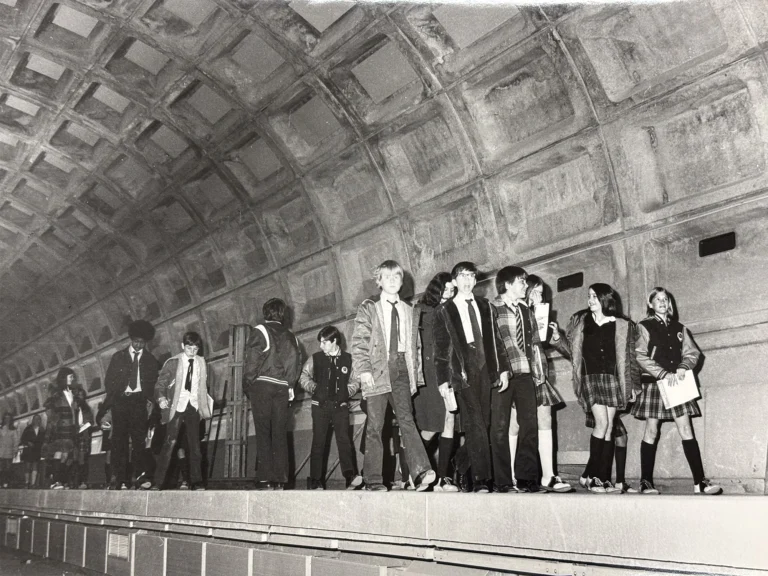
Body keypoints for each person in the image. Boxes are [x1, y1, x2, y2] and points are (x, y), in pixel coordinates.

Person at [350, 260, 436, 492]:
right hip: (378, 368)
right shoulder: (369, 308)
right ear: (379, 281)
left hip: (401, 369)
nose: (391, 280)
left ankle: (420, 472)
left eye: (396, 276)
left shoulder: (409, 311)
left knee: (407, 420)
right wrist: (364, 370)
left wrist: (415, 377)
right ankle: (373, 479)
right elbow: (359, 342)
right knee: (376, 426)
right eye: (386, 277)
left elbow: (415, 347)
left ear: (401, 281)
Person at [550, 283, 640, 494]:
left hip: (613, 379)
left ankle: (603, 478)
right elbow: (572, 352)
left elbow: (630, 359)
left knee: (609, 427)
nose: (590, 300)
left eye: (594, 297)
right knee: (602, 423)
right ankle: (594, 478)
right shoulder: (581, 321)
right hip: (590, 378)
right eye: (589, 296)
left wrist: (634, 385)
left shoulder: (622, 324)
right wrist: (557, 339)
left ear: (605, 299)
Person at [632, 287, 722, 495]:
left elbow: (692, 353)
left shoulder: (680, 328)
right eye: (658, 299)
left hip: (676, 383)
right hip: (656, 383)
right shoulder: (644, 327)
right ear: (650, 304)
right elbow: (639, 355)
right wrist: (661, 373)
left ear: (669, 304)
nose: (662, 302)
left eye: (665, 299)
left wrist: (683, 367)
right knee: (651, 431)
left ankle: (700, 482)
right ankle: (646, 482)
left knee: (686, 429)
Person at [433, 262, 511, 493]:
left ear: (475, 280)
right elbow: (441, 348)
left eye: (471, 276)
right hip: (462, 370)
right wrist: (442, 380)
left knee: (483, 424)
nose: (467, 280)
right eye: (462, 276)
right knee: (475, 422)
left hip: (486, 367)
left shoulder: (485, 305)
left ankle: (460, 461)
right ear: (454, 281)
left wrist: (504, 368)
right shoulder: (444, 310)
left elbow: (497, 340)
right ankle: (482, 479)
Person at [506, 275, 571, 492]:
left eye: (541, 293)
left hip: (539, 373)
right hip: (520, 373)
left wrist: (553, 336)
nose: (538, 296)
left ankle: (548, 475)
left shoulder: (539, 314)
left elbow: (565, 348)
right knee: (515, 423)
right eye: (534, 291)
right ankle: (512, 475)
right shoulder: (514, 310)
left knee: (545, 418)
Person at [490, 266, 545, 493]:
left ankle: (527, 478)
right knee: (500, 427)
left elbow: (534, 342)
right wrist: (499, 370)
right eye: (521, 282)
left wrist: (539, 369)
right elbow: (492, 343)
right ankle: (502, 480)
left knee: (530, 425)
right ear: (508, 284)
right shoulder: (491, 309)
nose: (525, 285)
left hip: (525, 373)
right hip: (502, 373)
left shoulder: (526, 310)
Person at [243, 298, 301, 490]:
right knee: (279, 433)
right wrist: (290, 386)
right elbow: (294, 363)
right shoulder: (291, 336)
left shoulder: (260, 330)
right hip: (282, 388)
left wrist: (248, 384)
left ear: (265, 312)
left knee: (263, 432)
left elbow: (252, 360)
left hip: (263, 386)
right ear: (283, 314)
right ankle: (281, 479)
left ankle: (264, 478)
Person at [145, 331, 212, 491]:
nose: (193, 352)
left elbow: (202, 386)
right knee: (169, 444)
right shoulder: (173, 363)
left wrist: (203, 406)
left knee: (195, 446)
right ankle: (158, 482)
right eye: (189, 348)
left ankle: (196, 482)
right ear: (183, 346)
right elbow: (160, 384)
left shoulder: (201, 363)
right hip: (177, 406)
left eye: (196, 349)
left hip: (193, 407)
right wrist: (161, 399)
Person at [299, 325, 363, 490]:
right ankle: (315, 480)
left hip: (340, 406)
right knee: (319, 442)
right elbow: (303, 376)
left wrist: (346, 392)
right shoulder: (316, 358)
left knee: (344, 441)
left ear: (335, 341)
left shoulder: (349, 360)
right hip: (320, 407)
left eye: (324, 342)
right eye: (320, 343)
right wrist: (314, 388)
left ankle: (350, 477)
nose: (321, 346)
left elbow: (356, 380)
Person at [412, 272, 459, 492]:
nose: (449, 293)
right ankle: (416, 470)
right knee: (431, 427)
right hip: (430, 374)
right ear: (436, 289)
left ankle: (443, 478)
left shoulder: (453, 311)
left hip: (451, 372)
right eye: (446, 289)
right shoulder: (421, 312)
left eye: (452, 289)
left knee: (450, 420)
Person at [98, 320, 159, 490]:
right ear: (131, 339)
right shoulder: (119, 357)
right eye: (136, 341)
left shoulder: (150, 360)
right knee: (119, 442)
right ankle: (121, 480)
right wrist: (116, 395)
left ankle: (139, 478)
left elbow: (153, 383)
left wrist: (149, 401)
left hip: (138, 403)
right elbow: (108, 381)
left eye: (142, 342)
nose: (139, 345)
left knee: (139, 442)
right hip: (121, 402)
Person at [43, 368, 79, 489]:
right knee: (59, 452)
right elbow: (48, 408)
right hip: (60, 426)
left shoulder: (73, 393)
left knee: (66, 454)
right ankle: (56, 481)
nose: (72, 379)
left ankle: (61, 480)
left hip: (70, 427)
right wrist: (55, 421)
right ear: (63, 378)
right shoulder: (56, 393)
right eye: (70, 376)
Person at [74, 388, 94, 489]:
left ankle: (83, 481)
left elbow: (90, 422)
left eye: (81, 395)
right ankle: (74, 481)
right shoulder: (74, 408)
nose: (80, 397)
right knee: (74, 459)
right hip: (74, 436)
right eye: (78, 395)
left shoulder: (87, 409)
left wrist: (80, 429)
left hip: (83, 435)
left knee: (82, 459)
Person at [20, 414, 44, 488]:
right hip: (28, 450)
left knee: (35, 465)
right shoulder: (28, 428)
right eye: (36, 419)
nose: (37, 420)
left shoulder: (42, 429)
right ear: (33, 420)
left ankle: (33, 483)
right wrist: (28, 442)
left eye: (39, 419)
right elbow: (22, 439)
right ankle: (27, 482)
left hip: (37, 450)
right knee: (27, 466)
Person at [0, 412, 19, 488]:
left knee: (8, 468)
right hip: (0, 451)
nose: (7, 420)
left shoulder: (13, 430)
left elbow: (16, 441)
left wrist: (15, 450)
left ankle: (6, 482)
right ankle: (1, 482)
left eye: (9, 418)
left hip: (9, 452)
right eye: (6, 418)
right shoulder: (1, 429)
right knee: (1, 468)